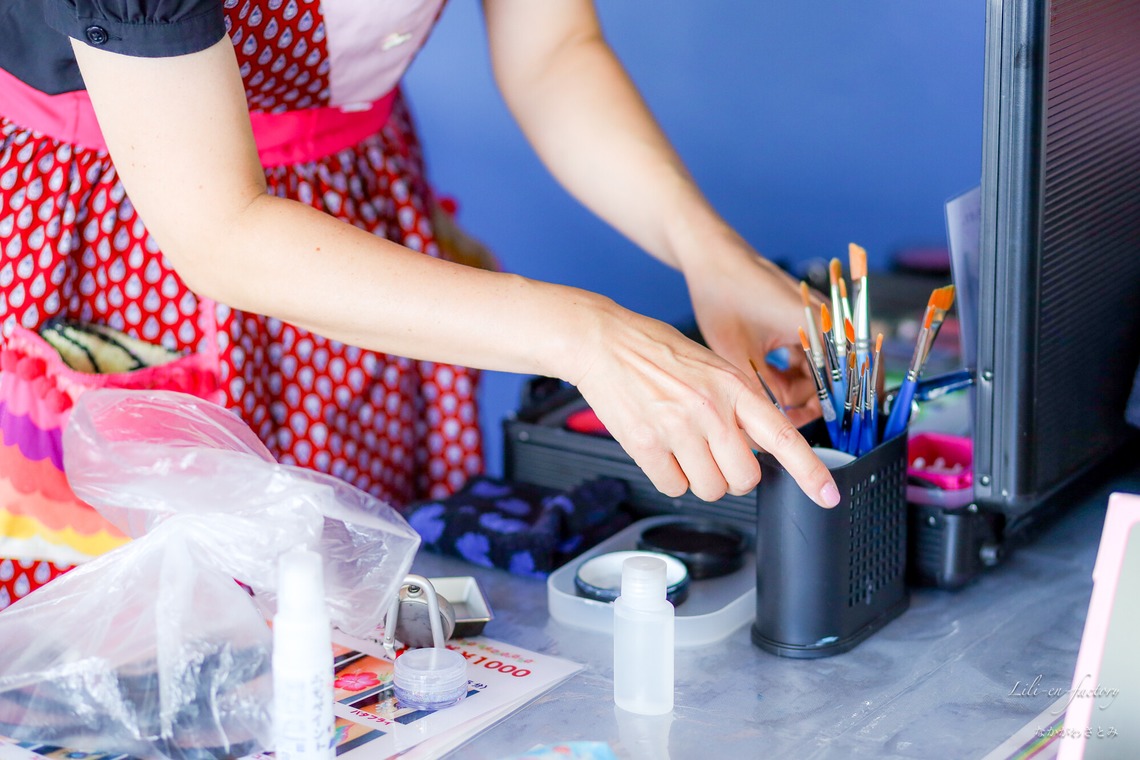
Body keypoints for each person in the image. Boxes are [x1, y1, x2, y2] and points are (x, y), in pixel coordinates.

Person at [0, 0, 839, 608]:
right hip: (111, 244)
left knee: (352, 630)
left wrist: (711, 255)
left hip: (355, 241)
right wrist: (588, 337)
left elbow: (553, 49)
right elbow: (217, 229)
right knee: (145, 645)